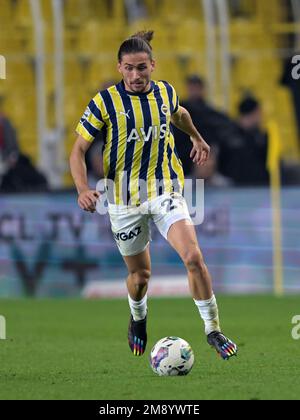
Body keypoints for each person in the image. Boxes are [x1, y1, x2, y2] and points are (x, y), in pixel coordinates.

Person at [70, 31, 238, 360]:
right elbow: (77, 150)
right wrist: (82, 188)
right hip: (123, 200)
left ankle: (213, 329)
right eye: (130, 68)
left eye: (142, 68)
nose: (136, 75)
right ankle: (138, 317)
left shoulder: (165, 92)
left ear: (153, 66)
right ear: (119, 67)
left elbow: (180, 113)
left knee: (193, 258)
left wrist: (197, 139)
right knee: (140, 275)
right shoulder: (104, 102)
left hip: (165, 191)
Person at [173, 75, 237, 176]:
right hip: (185, 160)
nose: (194, 91)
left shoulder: (210, 113)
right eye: (192, 88)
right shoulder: (178, 111)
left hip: (206, 155)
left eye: (196, 87)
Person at [219, 96, 270, 186]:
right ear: (256, 112)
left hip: (260, 188)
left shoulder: (263, 136)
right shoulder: (228, 135)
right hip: (233, 188)